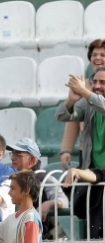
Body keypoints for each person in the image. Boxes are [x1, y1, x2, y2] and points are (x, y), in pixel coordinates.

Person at [60, 40, 105, 169]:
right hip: (87, 150)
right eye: (94, 54)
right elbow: (74, 118)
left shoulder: (82, 88)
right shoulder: (82, 84)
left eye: (103, 55)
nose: (97, 58)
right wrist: (66, 150)